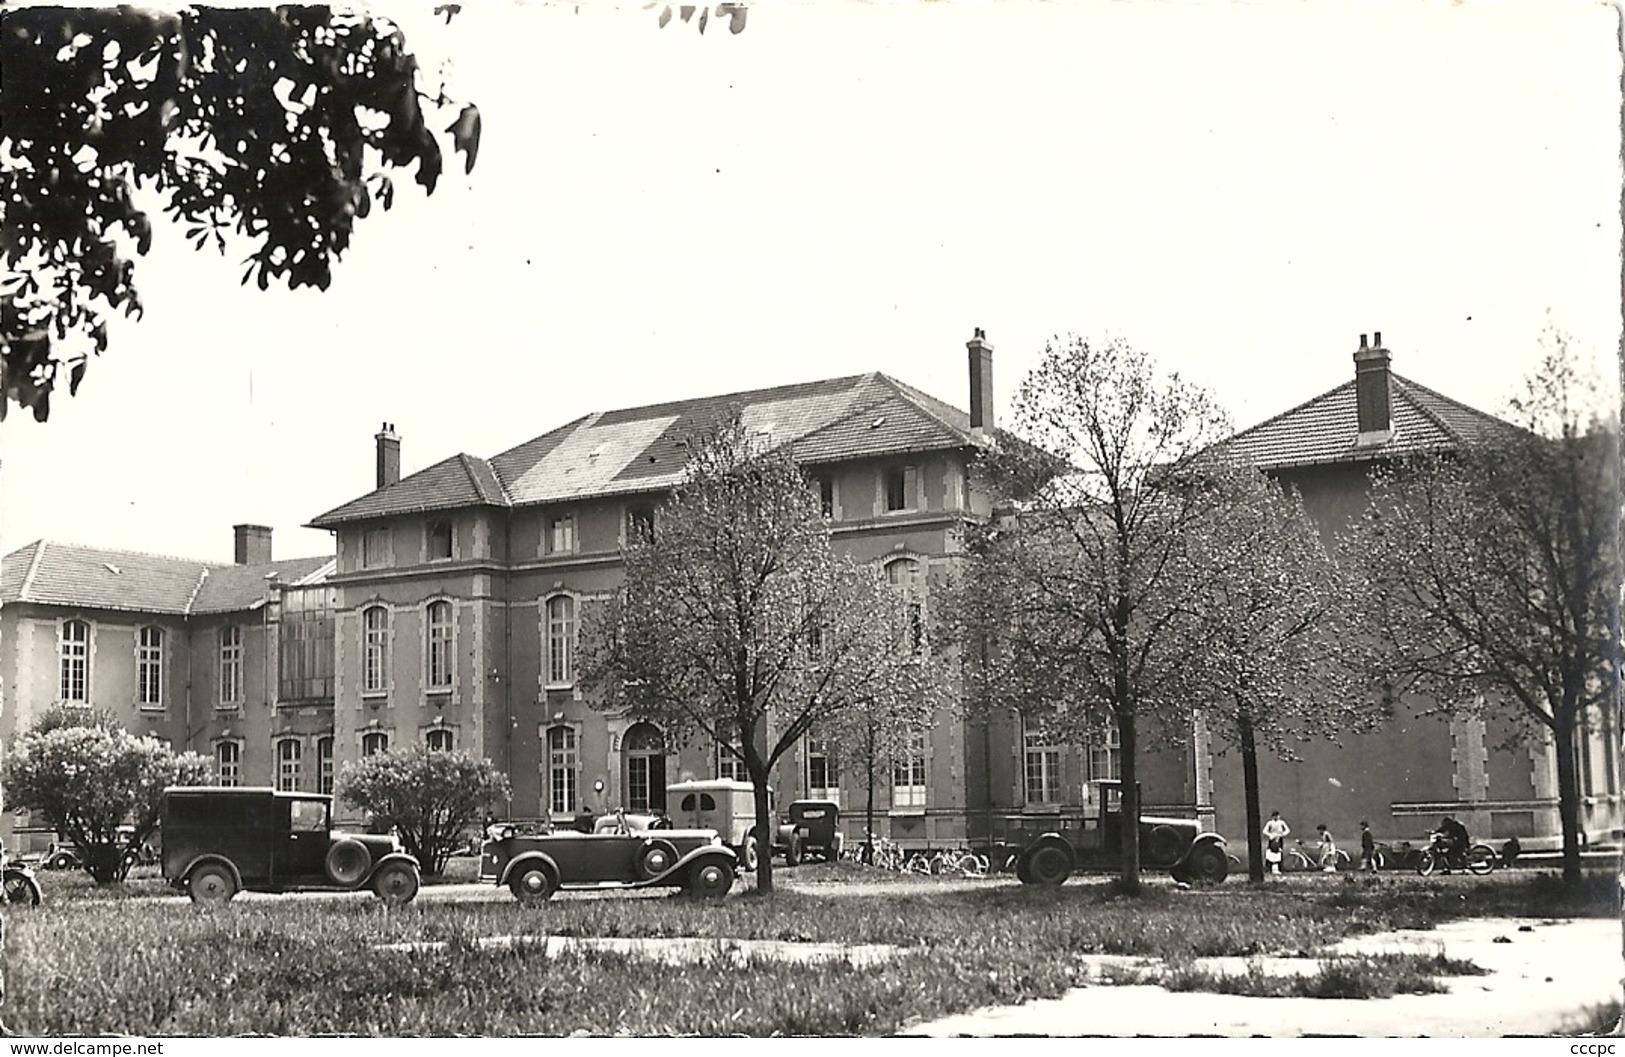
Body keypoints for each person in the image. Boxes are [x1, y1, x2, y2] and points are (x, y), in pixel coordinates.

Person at [1262, 810, 1290, 878]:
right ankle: (1269, 867)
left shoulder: (1281, 822)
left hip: (1279, 839)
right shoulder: (1270, 823)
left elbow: (1287, 830)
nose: (1276, 817)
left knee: (1279, 852)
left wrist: (1282, 834)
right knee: (1270, 853)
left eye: (1277, 816)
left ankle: (1279, 867)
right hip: (1272, 839)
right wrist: (1270, 835)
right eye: (1275, 816)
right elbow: (1264, 831)